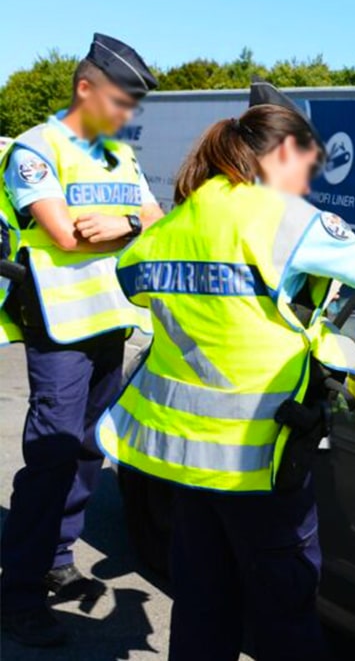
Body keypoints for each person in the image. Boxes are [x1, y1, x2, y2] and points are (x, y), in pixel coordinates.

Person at [95, 81, 355, 661]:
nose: (308, 183)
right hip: (260, 459)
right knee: (285, 611)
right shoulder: (282, 219)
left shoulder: (178, 223)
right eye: (306, 166)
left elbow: (131, 278)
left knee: (201, 605)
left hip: (187, 461)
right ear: (282, 154)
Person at [0, 33, 164, 648]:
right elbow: (64, 235)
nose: (126, 116)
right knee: (51, 455)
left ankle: (57, 556)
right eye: (121, 102)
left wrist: (121, 224)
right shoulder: (34, 149)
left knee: (90, 448)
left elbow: (154, 219)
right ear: (86, 87)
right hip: (60, 325)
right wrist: (123, 228)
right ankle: (17, 594)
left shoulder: (118, 153)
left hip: (109, 320)